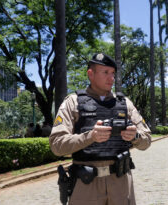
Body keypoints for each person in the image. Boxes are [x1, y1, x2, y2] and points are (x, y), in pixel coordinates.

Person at [49, 53, 151, 205]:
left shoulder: (125, 104)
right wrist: (90, 137)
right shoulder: (73, 103)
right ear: (91, 74)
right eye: (105, 73)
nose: (111, 78)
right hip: (86, 185)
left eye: (113, 73)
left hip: (120, 184)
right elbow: (56, 145)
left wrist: (135, 136)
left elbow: (147, 140)